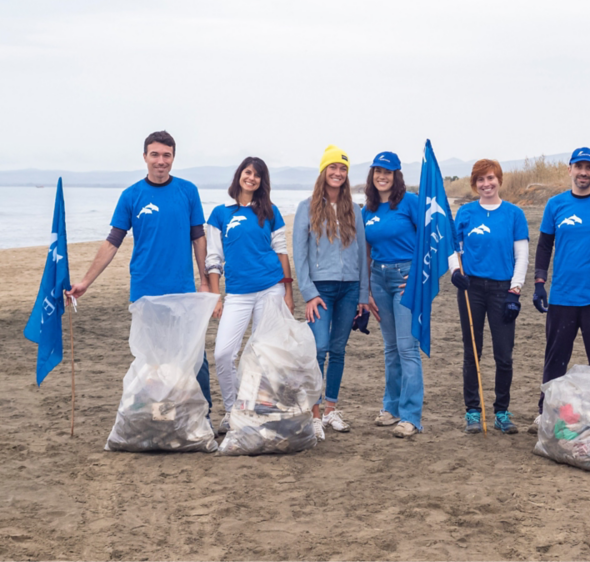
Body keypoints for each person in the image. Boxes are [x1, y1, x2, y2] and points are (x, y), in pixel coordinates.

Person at [66, 130, 214, 413]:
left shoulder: (188, 191)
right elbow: (113, 242)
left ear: (173, 157)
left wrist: (205, 282)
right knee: (151, 360)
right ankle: (152, 418)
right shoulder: (131, 195)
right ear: (145, 157)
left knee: (194, 358)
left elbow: (198, 239)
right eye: (155, 154)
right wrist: (86, 282)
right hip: (145, 291)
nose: (161, 161)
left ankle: (201, 418)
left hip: (182, 290)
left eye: (166, 155)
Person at [530, 147, 590, 433]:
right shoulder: (555, 205)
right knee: (555, 359)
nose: (584, 172)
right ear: (569, 169)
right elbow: (545, 245)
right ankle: (545, 411)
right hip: (563, 297)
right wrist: (540, 282)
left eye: (589, 167)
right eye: (578, 166)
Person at [205, 157, 294, 434]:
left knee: (264, 355)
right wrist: (216, 296)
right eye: (247, 172)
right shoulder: (220, 213)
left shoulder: (270, 211)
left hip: (270, 288)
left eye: (257, 175)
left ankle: (260, 409)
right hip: (238, 294)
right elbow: (213, 258)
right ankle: (233, 411)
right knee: (223, 353)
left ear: (262, 181)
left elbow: (281, 251)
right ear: (239, 176)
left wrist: (288, 292)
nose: (251, 178)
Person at [293, 145, 369, 441]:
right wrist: (309, 293)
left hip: (349, 288)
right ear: (324, 172)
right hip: (320, 290)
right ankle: (313, 414)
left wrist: (363, 294)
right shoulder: (306, 207)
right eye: (333, 168)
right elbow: (300, 256)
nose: (338, 173)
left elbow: (362, 254)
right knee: (319, 347)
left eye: (343, 169)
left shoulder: (355, 210)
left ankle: (331, 410)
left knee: (338, 350)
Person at [449, 159, 529, 434]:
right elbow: (454, 247)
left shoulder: (514, 214)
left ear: (499, 180)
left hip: (501, 289)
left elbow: (521, 255)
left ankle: (502, 412)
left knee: (504, 355)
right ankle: (473, 410)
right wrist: (454, 272)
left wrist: (515, 290)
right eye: (481, 180)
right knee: (472, 351)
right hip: (471, 288)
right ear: (475, 184)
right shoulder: (466, 213)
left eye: (491, 178)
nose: (486, 184)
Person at [362, 152, 422, 438]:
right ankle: (392, 407)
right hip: (379, 279)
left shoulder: (410, 202)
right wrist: (368, 290)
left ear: (396, 175)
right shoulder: (368, 210)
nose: (382, 176)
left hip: (404, 280)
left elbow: (430, 238)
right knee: (390, 348)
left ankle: (411, 416)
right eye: (377, 172)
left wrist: (420, 275)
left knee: (407, 347)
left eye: (387, 172)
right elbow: (366, 252)